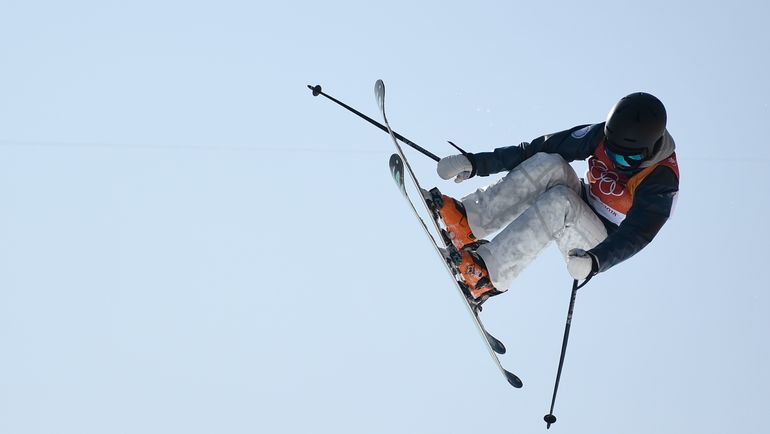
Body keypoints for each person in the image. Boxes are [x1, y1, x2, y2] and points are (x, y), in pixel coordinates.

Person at [429, 92, 680, 304]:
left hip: (601, 241)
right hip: (582, 198)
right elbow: (537, 149)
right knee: (549, 162)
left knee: (561, 201)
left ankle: (487, 276)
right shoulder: (601, 135)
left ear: (650, 150)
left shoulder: (661, 180)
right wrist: (475, 163)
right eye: (611, 151)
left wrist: (595, 261)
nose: (616, 161)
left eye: (628, 159)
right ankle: (468, 222)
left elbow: (637, 234)